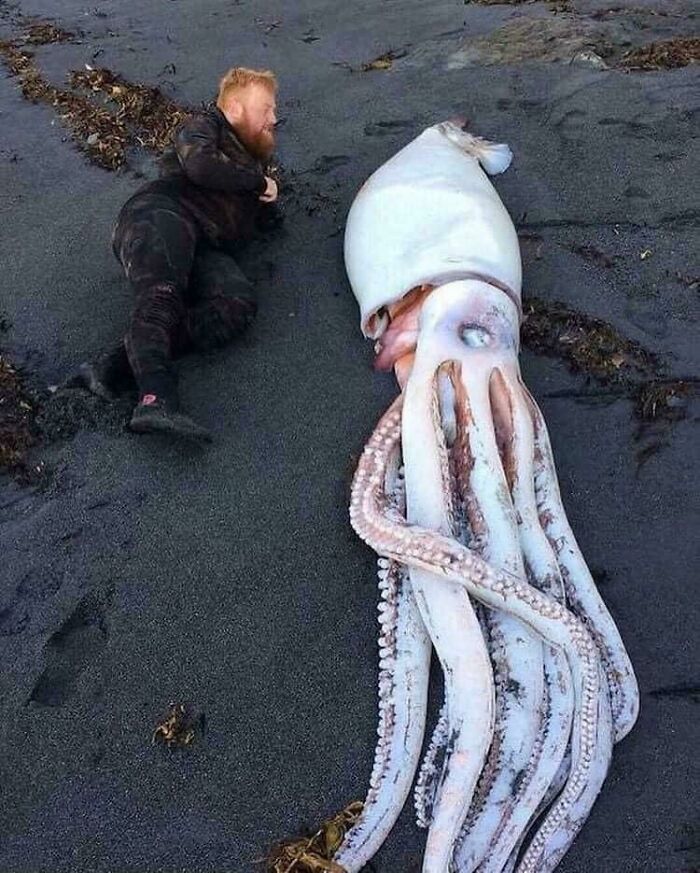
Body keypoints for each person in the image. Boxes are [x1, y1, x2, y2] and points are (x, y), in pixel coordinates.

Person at [77, 67, 282, 441]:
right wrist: (257, 183)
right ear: (235, 108)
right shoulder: (204, 126)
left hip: (205, 241)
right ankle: (156, 398)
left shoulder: (252, 163)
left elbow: (249, 212)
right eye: (266, 108)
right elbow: (201, 165)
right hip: (159, 215)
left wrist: (268, 204)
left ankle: (112, 366)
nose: (274, 117)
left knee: (236, 304)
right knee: (163, 295)